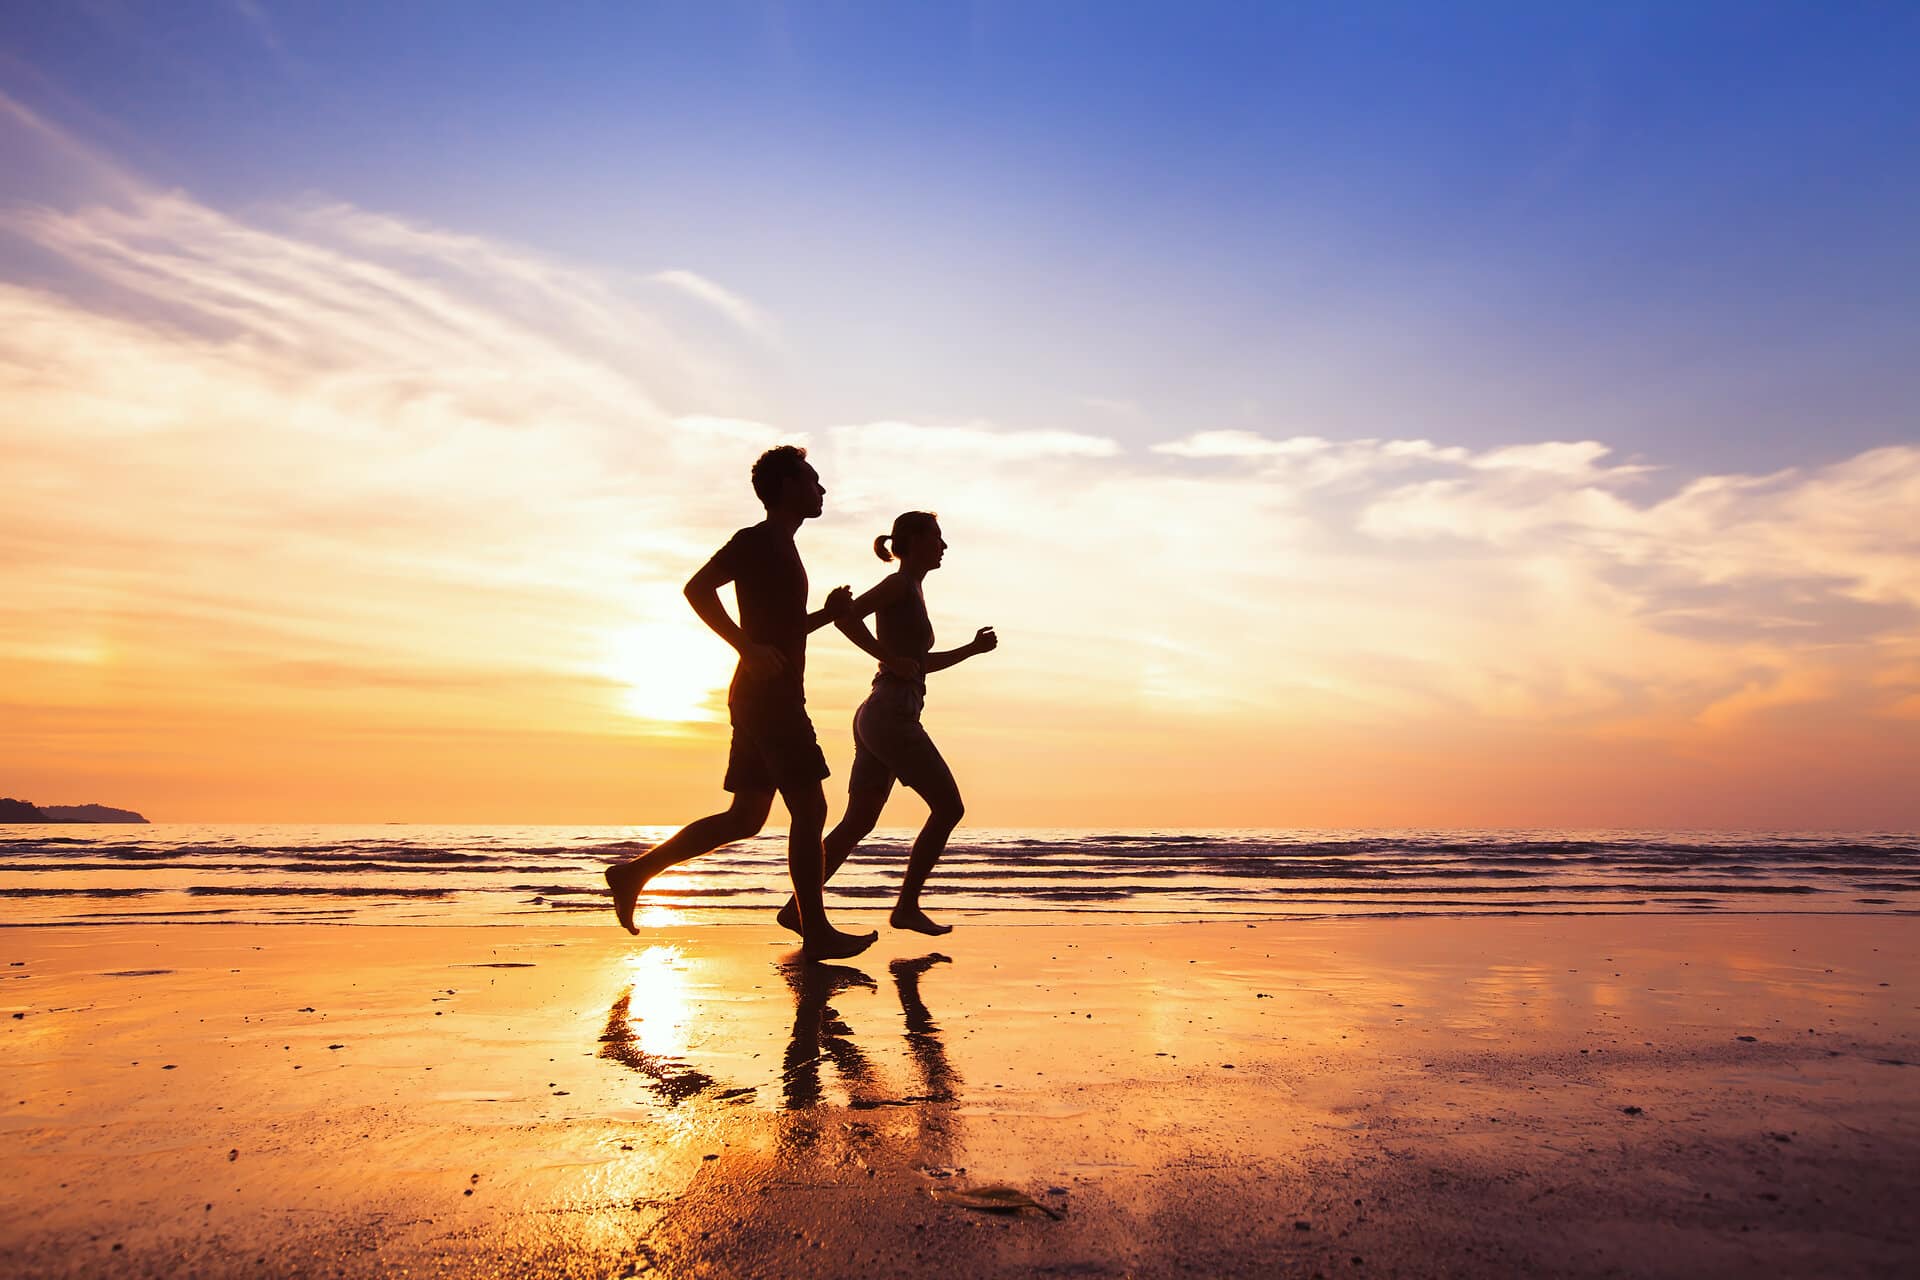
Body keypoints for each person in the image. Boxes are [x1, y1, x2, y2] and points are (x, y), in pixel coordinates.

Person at [605, 445, 876, 960]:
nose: (822, 490)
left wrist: (830, 614)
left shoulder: (784, 548)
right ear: (787, 488)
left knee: (745, 817)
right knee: (812, 806)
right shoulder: (755, 540)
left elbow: (782, 631)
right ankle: (814, 928)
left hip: (761, 696)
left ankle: (633, 872)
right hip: (768, 699)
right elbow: (697, 588)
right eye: (813, 481)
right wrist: (743, 645)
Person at [778, 511, 996, 937]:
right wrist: (885, 654)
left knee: (859, 821)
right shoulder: (899, 584)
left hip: (882, 713)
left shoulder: (912, 588)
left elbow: (919, 665)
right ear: (913, 541)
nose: (943, 546)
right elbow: (846, 617)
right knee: (949, 807)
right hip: (890, 715)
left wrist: (969, 651)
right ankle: (907, 907)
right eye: (937, 537)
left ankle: (796, 909)